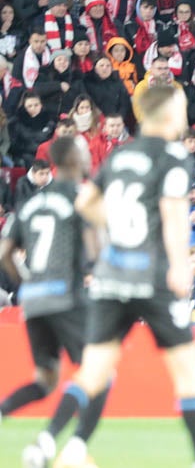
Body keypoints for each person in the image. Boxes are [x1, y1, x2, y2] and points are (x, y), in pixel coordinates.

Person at [26, 82, 195, 468]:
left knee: (94, 370)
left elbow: (86, 202)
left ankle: (47, 444)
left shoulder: (121, 156)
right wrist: (180, 265)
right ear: (168, 114)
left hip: (112, 276)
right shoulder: (173, 157)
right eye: (180, 107)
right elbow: (173, 213)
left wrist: (117, 233)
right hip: (152, 276)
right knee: (189, 370)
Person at [0, 135, 106, 449]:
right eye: (83, 153)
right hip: (65, 295)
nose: (88, 157)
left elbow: (5, 252)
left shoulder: (32, 202)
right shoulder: (82, 196)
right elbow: (95, 250)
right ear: (73, 161)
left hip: (34, 300)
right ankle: (57, 444)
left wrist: (27, 284)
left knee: (46, 380)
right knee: (98, 371)